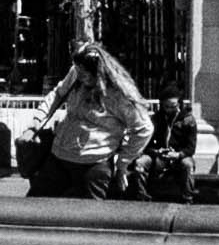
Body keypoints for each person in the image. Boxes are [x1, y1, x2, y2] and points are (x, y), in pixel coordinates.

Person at [29, 36, 151, 198]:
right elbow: (58, 94)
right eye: (77, 70)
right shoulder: (76, 73)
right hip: (59, 156)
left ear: (99, 73)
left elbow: (144, 129)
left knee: (90, 216)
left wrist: (123, 163)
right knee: (36, 203)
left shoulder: (119, 94)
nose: (79, 76)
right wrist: (39, 117)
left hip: (94, 164)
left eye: (84, 74)